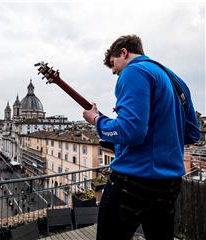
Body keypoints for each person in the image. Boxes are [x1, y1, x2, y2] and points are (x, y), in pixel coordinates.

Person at [83, 35, 200, 240]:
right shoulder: (175, 80)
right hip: (170, 183)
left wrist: (96, 121)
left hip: (134, 179)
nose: (114, 71)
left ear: (124, 53)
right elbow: (192, 133)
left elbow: (131, 131)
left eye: (113, 63)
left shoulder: (133, 71)